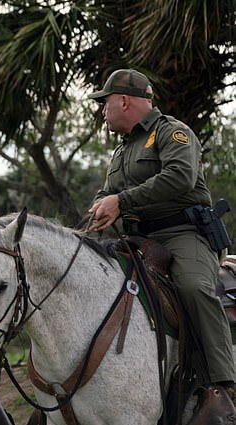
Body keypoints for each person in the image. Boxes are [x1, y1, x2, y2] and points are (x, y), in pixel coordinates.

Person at [87, 68, 235, 409]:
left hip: (182, 234)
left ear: (123, 100)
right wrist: (96, 212)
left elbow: (181, 177)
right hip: (138, 239)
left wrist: (121, 202)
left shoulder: (172, 132)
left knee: (195, 289)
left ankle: (224, 384)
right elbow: (107, 192)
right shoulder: (121, 151)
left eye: (105, 102)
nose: (102, 110)